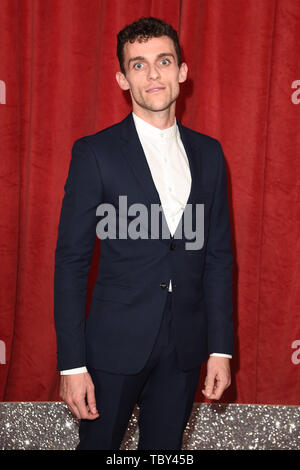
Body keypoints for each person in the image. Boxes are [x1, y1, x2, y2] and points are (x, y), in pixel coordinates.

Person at [54, 16, 234, 450]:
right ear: (122, 78)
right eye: (138, 65)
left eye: (164, 61)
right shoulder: (94, 153)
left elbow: (219, 258)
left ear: (182, 72)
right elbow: (71, 262)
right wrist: (72, 364)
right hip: (114, 344)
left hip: (187, 347)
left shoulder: (209, 154)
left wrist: (221, 349)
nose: (153, 74)